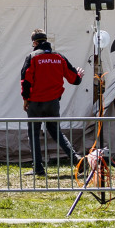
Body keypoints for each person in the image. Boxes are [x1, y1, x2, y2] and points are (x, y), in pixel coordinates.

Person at [20, 29, 84, 176]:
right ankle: (77, 160)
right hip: (53, 102)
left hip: (35, 103)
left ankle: (38, 168)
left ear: (35, 43)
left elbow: (26, 81)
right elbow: (74, 79)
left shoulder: (32, 57)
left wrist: (25, 99)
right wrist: (79, 74)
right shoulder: (59, 57)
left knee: (34, 134)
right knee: (56, 133)